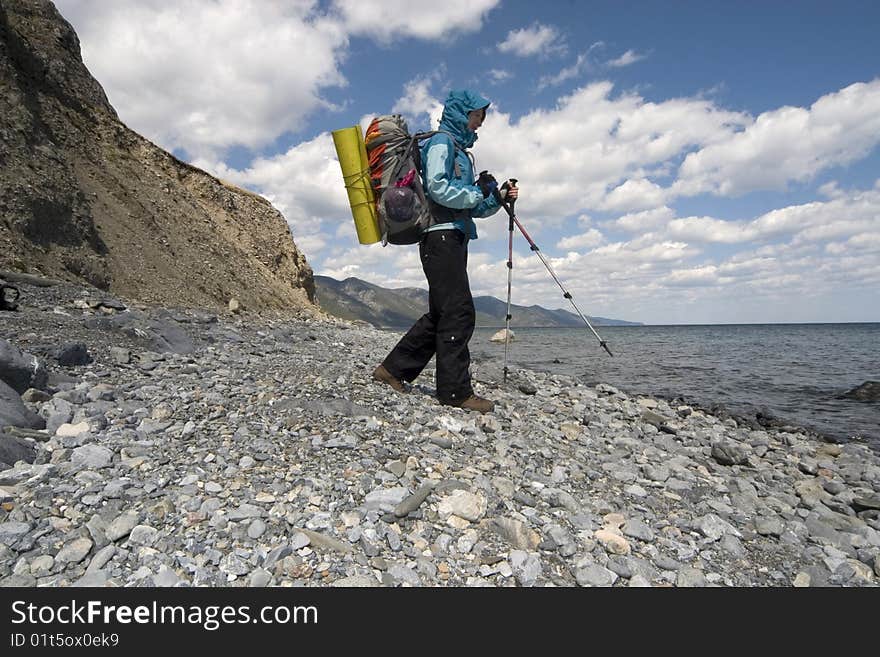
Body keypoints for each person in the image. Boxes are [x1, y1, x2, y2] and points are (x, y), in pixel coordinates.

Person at [372, 89, 518, 413]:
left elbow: (472, 207)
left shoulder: (461, 152)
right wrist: (475, 191)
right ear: (463, 113)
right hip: (439, 239)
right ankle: (454, 392)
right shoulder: (441, 143)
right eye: (477, 117)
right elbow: (438, 188)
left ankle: (392, 370)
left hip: (452, 238)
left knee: (441, 314)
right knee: (459, 312)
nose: (479, 125)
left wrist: (497, 198)